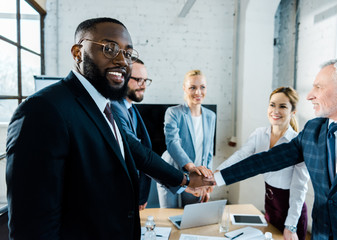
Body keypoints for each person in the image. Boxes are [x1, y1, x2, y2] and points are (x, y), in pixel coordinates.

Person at [6, 17, 214, 240]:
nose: (122, 61)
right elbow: (32, 227)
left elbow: (139, 154)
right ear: (78, 53)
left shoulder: (105, 107)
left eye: (128, 53)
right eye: (109, 48)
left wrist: (184, 181)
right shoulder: (43, 109)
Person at [213, 58, 337, 240]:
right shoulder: (313, 130)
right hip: (320, 234)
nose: (309, 95)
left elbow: (299, 188)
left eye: (319, 87)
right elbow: (266, 160)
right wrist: (214, 179)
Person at [217, 87, 309, 240]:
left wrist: (290, 226)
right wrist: (214, 175)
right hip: (270, 205)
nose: (275, 110)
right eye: (272, 105)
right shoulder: (259, 134)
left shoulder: (297, 143)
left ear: (293, 111)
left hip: (292, 211)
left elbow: (299, 188)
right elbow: (240, 156)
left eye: (283, 106)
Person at [157, 70, 216, 208]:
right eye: (192, 87)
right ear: (184, 88)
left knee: (191, 215)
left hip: (196, 175)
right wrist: (192, 168)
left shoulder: (210, 116)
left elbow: (208, 152)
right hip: (171, 172)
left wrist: (207, 182)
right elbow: (172, 143)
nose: (198, 92)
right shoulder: (173, 112)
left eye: (202, 87)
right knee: (168, 214)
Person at [111, 58, 153, 211]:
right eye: (138, 79)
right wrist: (182, 181)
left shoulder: (131, 108)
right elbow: (136, 152)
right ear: (122, 78)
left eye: (145, 80)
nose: (143, 85)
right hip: (117, 193)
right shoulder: (114, 107)